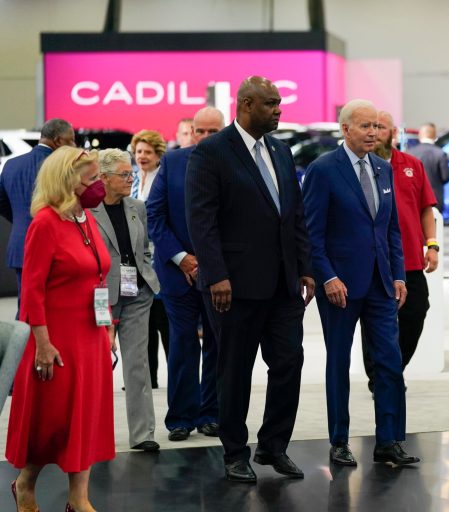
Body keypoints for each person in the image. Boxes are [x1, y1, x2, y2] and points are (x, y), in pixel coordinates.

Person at [186, 76, 314, 483]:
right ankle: (235, 452)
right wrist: (217, 275)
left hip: (283, 285)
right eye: (271, 104)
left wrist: (305, 266)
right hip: (233, 287)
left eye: (279, 104)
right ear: (246, 104)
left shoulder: (280, 150)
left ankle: (274, 446)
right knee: (235, 371)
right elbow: (201, 220)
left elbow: (293, 215)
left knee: (289, 363)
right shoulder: (211, 152)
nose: (279, 110)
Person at [303, 99, 420, 467]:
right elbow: (311, 233)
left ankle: (390, 440)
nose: (373, 132)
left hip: (381, 284)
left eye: (377, 126)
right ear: (345, 130)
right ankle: (339, 440)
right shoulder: (323, 170)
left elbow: (390, 230)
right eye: (365, 126)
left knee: (389, 361)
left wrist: (399, 274)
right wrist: (328, 277)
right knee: (338, 363)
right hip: (340, 287)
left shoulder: (384, 169)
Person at [6, 147, 115, 512]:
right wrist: (42, 343)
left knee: (84, 419)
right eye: (91, 177)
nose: (98, 184)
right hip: (54, 338)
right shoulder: (45, 224)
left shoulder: (86, 219)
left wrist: (108, 325)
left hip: (90, 336)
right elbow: (31, 291)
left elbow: (98, 277)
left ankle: (78, 498)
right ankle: (24, 485)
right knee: (51, 422)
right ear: (68, 181)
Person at [147, 107, 225, 442]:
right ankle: (180, 417)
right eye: (200, 131)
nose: (206, 137)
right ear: (191, 131)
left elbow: (239, 224)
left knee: (218, 346)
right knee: (181, 345)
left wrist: (210, 264)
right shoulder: (174, 163)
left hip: (220, 275)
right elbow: (156, 213)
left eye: (213, 131)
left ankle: (211, 414)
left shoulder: (235, 164)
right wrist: (182, 259)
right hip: (178, 274)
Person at [360, 111, 438, 393]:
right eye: (371, 126)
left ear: (393, 131)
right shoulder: (362, 166)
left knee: (416, 311)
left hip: (411, 260)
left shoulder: (412, 165)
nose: (377, 132)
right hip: (374, 259)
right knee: (375, 318)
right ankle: (379, 376)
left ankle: (393, 369)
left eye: (382, 127)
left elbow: (425, 208)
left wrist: (432, 244)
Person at [91, 148, 160, 452]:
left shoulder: (136, 206)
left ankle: (143, 434)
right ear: (103, 178)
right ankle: (93, 433)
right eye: (124, 174)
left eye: (131, 173)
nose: (130, 178)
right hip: (100, 295)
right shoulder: (87, 211)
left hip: (138, 292)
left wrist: (145, 267)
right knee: (96, 366)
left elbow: (144, 246)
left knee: (137, 364)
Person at [0, 118, 75, 302]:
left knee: (26, 307)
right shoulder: (63, 168)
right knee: (55, 309)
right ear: (58, 140)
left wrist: (20, 220)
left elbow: (2, 203)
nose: (74, 145)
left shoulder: (11, 165)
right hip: (57, 249)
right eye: (71, 140)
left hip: (21, 246)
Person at [129, 129, 170, 391]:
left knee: (165, 323)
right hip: (136, 259)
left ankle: (176, 378)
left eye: (147, 152)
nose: (142, 156)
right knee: (143, 326)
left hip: (159, 256)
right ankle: (149, 378)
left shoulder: (161, 179)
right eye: (139, 151)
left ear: (158, 155)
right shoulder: (132, 179)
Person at [408, 122, 449, 212]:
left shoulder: (409, 153)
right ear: (435, 135)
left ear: (420, 135)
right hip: (435, 200)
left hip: (414, 199)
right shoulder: (440, 153)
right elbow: (446, 177)